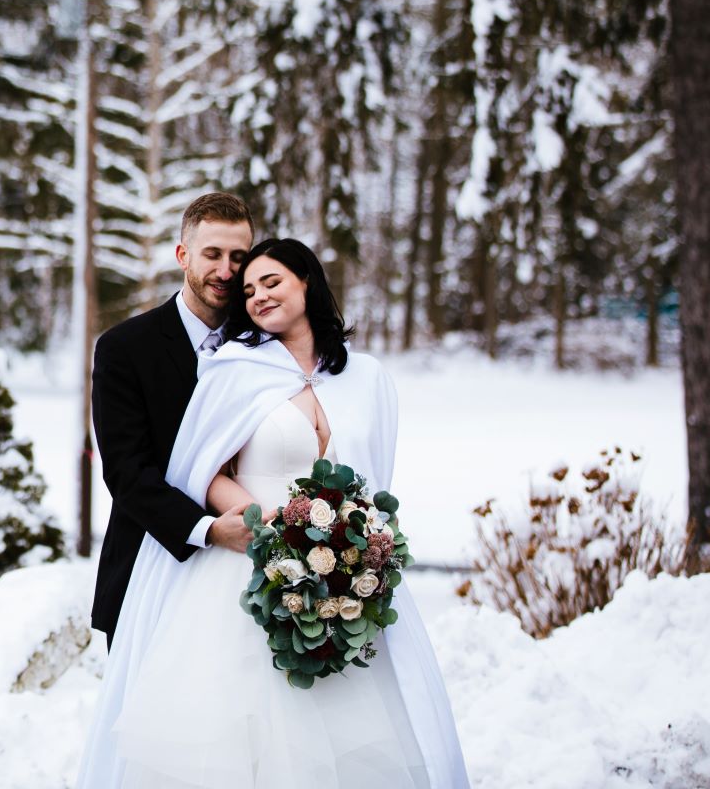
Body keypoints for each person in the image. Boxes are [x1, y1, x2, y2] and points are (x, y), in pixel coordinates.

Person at [77, 238, 470, 789]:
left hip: (342, 574)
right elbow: (202, 469)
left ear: (306, 280)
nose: (258, 295)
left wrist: (351, 549)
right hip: (250, 564)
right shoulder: (233, 368)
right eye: (249, 290)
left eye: (272, 281)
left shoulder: (368, 377)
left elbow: (374, 480)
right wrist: (281, 531)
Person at [89, 192, 256, 646]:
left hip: (248, 585)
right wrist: (207, 531)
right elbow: (126, 471)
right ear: (183, 256)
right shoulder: (124, 348)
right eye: (213, 254)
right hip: (151, 563)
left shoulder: (265, 347)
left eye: (239, 257)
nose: (226, 271)